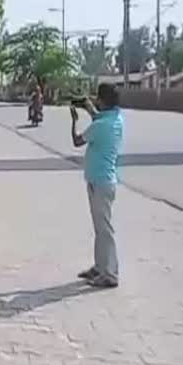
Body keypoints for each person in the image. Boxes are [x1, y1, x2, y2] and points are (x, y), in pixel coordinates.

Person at [70, 83, 124, 289]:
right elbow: (99, 119)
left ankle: (109, 274)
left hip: (99, 182)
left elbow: (77, 141)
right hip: (104, 181)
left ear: (103, 101)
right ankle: (100, 266)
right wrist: (89, 108)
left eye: (97, 98)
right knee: (100, 228)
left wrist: (74, 121)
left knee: (104, 230)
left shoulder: (100, 126)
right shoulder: (116, 119)